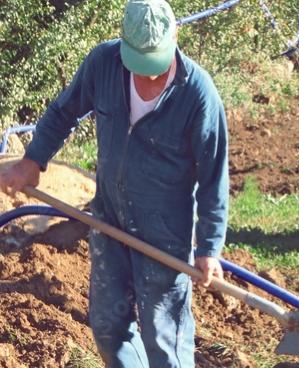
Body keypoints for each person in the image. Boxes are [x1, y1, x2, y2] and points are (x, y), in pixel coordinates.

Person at [0, 1, 229, 366]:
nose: (149, 78)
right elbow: (63, 112)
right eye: (140, 66)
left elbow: (214, 174)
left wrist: (210, 247)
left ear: (175, 37)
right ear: (124, 44)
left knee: (163, 339)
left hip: (164, 233)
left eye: (155, 66)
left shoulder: (198, 93)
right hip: (108, 220)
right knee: (108, 329)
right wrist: (33, 159)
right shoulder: (103, 64)